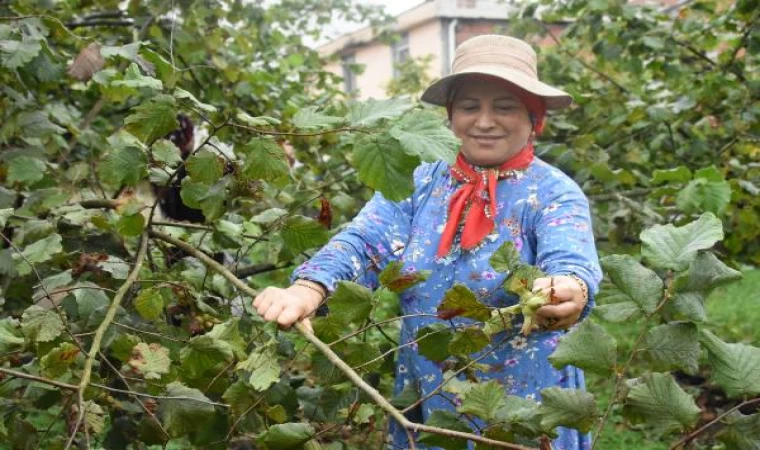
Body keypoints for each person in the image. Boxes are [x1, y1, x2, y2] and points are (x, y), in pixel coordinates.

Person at [254, 34, 602, 449]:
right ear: (451, 116)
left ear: (534, 118)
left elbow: (571, 261)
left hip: (522, 402)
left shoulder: (552, 192)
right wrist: (309, 288)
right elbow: (367, 241)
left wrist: (569, 289)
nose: (485, 121)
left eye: (504, 107)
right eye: (470, 106)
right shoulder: (421, 180)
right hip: (430, 388)